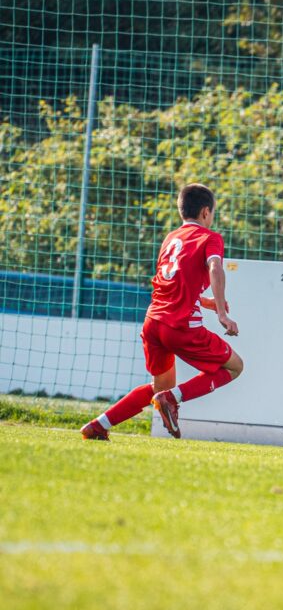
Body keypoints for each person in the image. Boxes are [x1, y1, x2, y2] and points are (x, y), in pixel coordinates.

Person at [81, 183, 244, 440]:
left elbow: (172, 281)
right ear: (205, 212)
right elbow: (215, 268)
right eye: (212, 213)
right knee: (235, 367)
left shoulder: (171, 238)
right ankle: (172, 398)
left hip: (153, 323)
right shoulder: (210, 238)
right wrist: (222, 311)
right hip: (180, 327)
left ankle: (98, 426)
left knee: (158, 387)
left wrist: (204, 300)